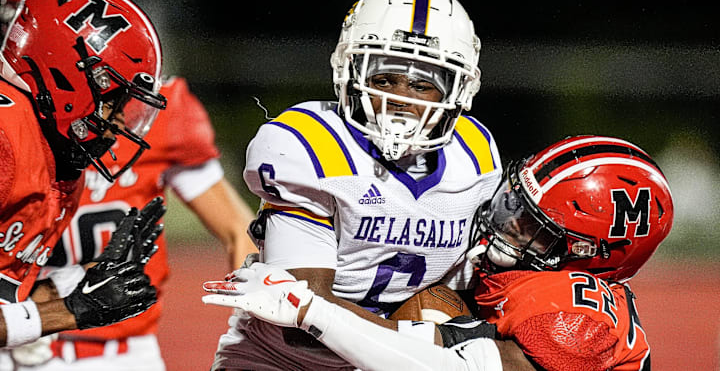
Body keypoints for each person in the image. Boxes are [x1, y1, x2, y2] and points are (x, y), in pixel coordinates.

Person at [210, 0, 503, 371]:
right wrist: (437, 340)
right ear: (349, 71)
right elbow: (300, 313)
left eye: (422, 84)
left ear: (459, 89)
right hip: (286, 360)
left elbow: (471, 286)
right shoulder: (310, 144)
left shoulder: (475, 155)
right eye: (383, 79)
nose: (400, 98)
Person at [203, 135, 674, 371]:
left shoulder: (574, 323)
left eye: (533, 227)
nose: (507, 225)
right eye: (515, 203)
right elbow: (430, 338)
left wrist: (309, 308)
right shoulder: (534, 276)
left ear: (593, 253)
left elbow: (439, 367)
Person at [0, 0, 258, 369]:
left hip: (105, 340)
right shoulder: (14, 134)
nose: (121, 123)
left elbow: (235, 229)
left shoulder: (138, 112)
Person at [0, 0, 166, 356]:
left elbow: (8, 298)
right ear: (67, 77)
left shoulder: (56, 155)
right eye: (115, 99)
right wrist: (69, 312)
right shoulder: (7, 139)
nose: (121, 123)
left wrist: (81, 285)